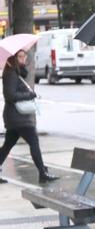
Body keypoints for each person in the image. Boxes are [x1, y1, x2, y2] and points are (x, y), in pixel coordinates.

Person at [0, 49, 56, 184]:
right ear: (13, 58)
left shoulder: (16, 72)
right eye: (20, 56)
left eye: (24, 56)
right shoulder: (11, 74)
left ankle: (43, 172)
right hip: (17, 117)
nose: (23, 59)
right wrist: (30, 95)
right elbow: (10, 96)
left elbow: (20, 83)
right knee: (34, 142)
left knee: (8, 144)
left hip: (16, 116)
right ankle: (42, 173)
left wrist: (23, 68)